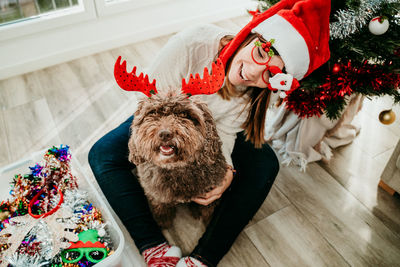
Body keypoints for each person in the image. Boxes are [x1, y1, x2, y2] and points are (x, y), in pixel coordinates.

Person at [88, 0, 331, 266]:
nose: (252, 72)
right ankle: (153, 246)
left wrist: (227, 170)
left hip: (212, 132)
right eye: (260, 54)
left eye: (269, 74)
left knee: (267, 164)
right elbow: (152, 103)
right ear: (251, 34)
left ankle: (204, 258)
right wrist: (166, 159)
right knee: (102, 154)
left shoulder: (261, 93)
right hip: (164, 119)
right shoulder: (193, 43)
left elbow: (226, 129)